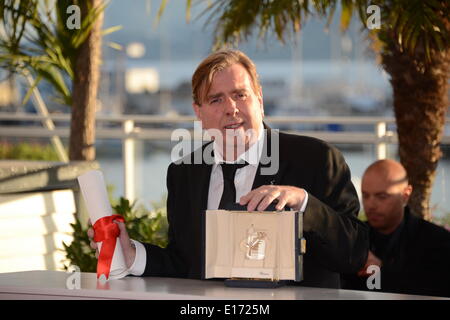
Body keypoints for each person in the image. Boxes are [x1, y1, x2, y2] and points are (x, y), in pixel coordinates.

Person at [88, 49, 369, 289]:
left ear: (259, 100)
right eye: (216, 99)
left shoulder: (317, 159)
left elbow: (354, 254)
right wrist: (131, 253)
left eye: (240, 95)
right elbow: (185, 264)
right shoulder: (184, 173)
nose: (231, 108)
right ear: (199, 112)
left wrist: (304, 203)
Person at [342, 159, 450, 297]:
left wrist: (382, 270)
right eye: (365, 195)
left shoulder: (437, 241)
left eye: (382, 196)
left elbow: (435, 289)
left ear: (405, 195)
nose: (371, 204)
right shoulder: (354, 238)